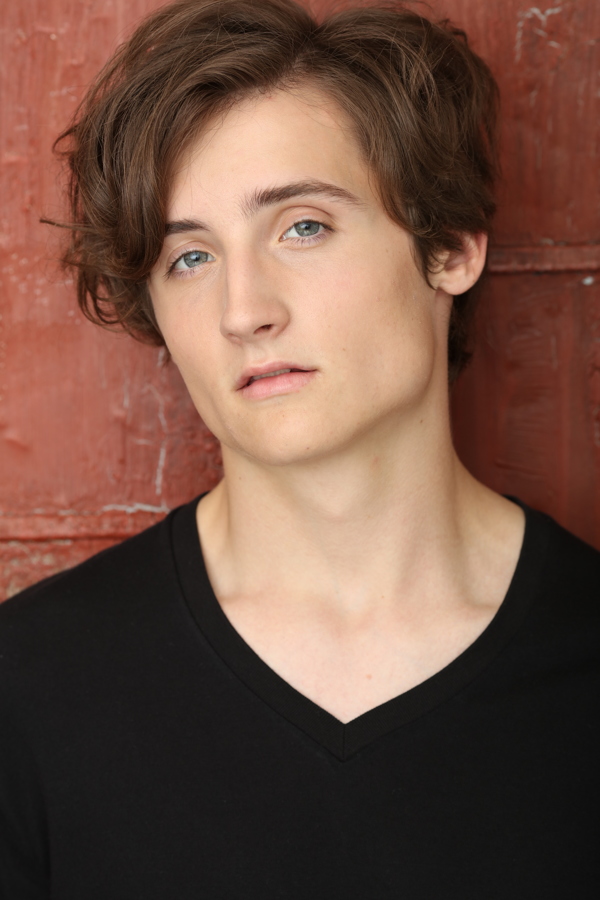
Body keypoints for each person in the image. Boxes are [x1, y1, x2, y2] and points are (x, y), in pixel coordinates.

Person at [1, 0, 598, 896]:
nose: (245, 310)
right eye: (190, 258)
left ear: (450, 248)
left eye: (303, 227)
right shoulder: (29, 690)